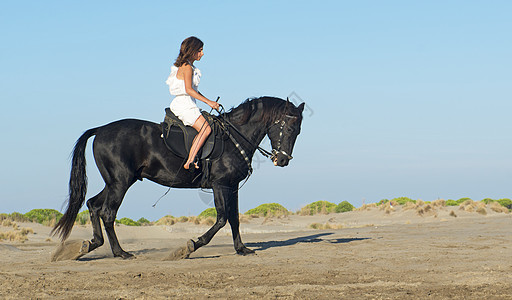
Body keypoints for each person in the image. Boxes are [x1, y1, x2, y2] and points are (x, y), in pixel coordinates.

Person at [165, 36, 220, 170]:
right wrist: (208, 102)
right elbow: (189, 90)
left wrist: (209, 102)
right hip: (184, 105)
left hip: (188, 102)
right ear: (192, 51)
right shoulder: (187, 67)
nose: (202, 53)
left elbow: (194, 91)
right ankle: (189, 161)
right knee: (206, 129)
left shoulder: (188, 66)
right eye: (200, 50)